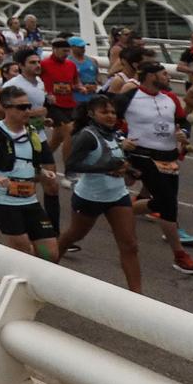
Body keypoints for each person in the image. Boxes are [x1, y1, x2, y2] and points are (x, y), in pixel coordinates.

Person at [120, 62, 193, 275]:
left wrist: (184, 134)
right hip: (142, 155)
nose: (168, 76)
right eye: (164, 73)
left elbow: (183, 121)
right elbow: (108, 124)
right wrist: (121, 140)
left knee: (163, 202)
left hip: (169, 156)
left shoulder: (171, 97)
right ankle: (180, 255)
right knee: (167, 204)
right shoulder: (128, 98)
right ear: (149, 76)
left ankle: (121, 212)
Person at [0, 87, 60, 263]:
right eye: (21, 107)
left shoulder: (32, 132)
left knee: (50, 254)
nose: (27, 111)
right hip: (2, 201)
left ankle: (34, 282)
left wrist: (42, 172)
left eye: (28, 106)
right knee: (22, 249)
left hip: (29, 198)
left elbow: (28, 163)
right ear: (6, 108)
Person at [58, 96, 142, 292]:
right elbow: (71, 166)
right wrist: (105, 167)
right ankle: (48, 261)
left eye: (112, 112)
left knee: (130, 245)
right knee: (74, 236)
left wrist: (129, 170)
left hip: (117, 196)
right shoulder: (87, 135)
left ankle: (138, 297)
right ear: (91, 114)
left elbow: (116, 161)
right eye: (104, 112)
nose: (110, 116)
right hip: (90, 198)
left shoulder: (115, 134)